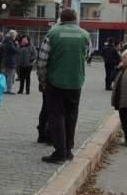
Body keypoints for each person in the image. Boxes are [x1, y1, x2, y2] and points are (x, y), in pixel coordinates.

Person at [38, 9, 91, 163]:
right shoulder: (85, 35)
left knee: (56, 116)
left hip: (55, 82)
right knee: (71, 116)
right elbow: (87, 55)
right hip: (76, 82)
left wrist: (43, 80)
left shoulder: (52, 34)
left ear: (61, 19)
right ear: (75, 19)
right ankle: (68, 149)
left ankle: (59, 152)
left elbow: (42, 60)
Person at [1, 29, 19, 94]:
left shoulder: (5, 40)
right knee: (10, 76)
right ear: (13, 35)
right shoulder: (10, 42)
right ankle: (9, 90)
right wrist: (16, 45)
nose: (16, 37)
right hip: (10, 61)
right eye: (15, 35)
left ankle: (3, 89)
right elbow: (14, 50)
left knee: (4, 76)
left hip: (5, 60)